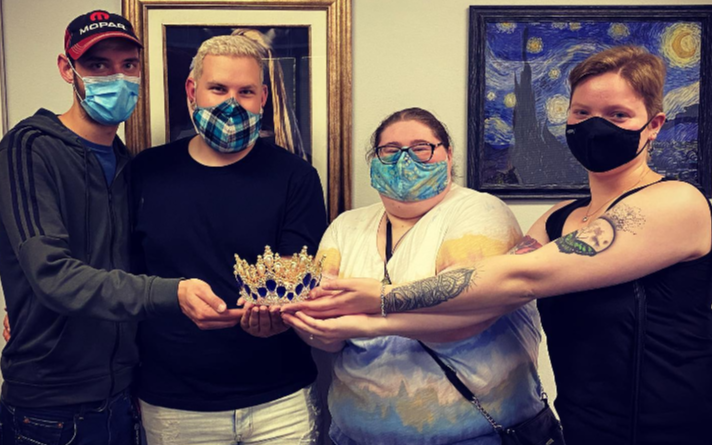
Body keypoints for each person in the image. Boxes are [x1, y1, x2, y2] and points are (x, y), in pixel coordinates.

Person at [288, 46, 712, 445]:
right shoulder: (559, 219)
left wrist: (382, 299)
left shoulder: (677, 202)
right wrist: (364, 326)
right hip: (584, 427)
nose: (594, 127)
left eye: (617, 114)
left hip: (670, 428)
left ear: (654, 125)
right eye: (582, 113)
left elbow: (522, 276)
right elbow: (487, 299)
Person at [0, 10, 240, 445]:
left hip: (122, 396)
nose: (117, 78)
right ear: (67, 69)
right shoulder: (29, 147)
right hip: (50, 407)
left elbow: (123, 263)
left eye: (128, 65)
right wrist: (173, 292)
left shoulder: (128, 164)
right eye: (98, 65)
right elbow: (51, 274)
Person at [283, 107, 550, 445]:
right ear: (375, 159)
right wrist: (301, 319)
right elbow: (326, 332)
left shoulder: (479, 211)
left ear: (448, 155)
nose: (404, 159)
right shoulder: (346, 226)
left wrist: (364, 316)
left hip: (474, 435)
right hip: (352, 435)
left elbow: (466, 314)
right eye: (390, 150)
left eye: (421, 148)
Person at [131, 33, 327, 444]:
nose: (231, 103)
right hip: (174, 400)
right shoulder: (145, 173)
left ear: (264, 98)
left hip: (279, 398)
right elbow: (122, 275)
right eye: (218, 89)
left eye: (246, 92)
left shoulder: (296, 177)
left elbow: (297, 273)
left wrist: (277, 313)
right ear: (192, 91)